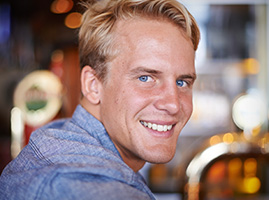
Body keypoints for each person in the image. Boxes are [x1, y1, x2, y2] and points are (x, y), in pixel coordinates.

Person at [0, 0, 200, 199]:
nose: (173, 104)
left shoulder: (61, 137)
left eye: (182, 82)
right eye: (145, 78)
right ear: (93, 85)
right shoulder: (97, 190)